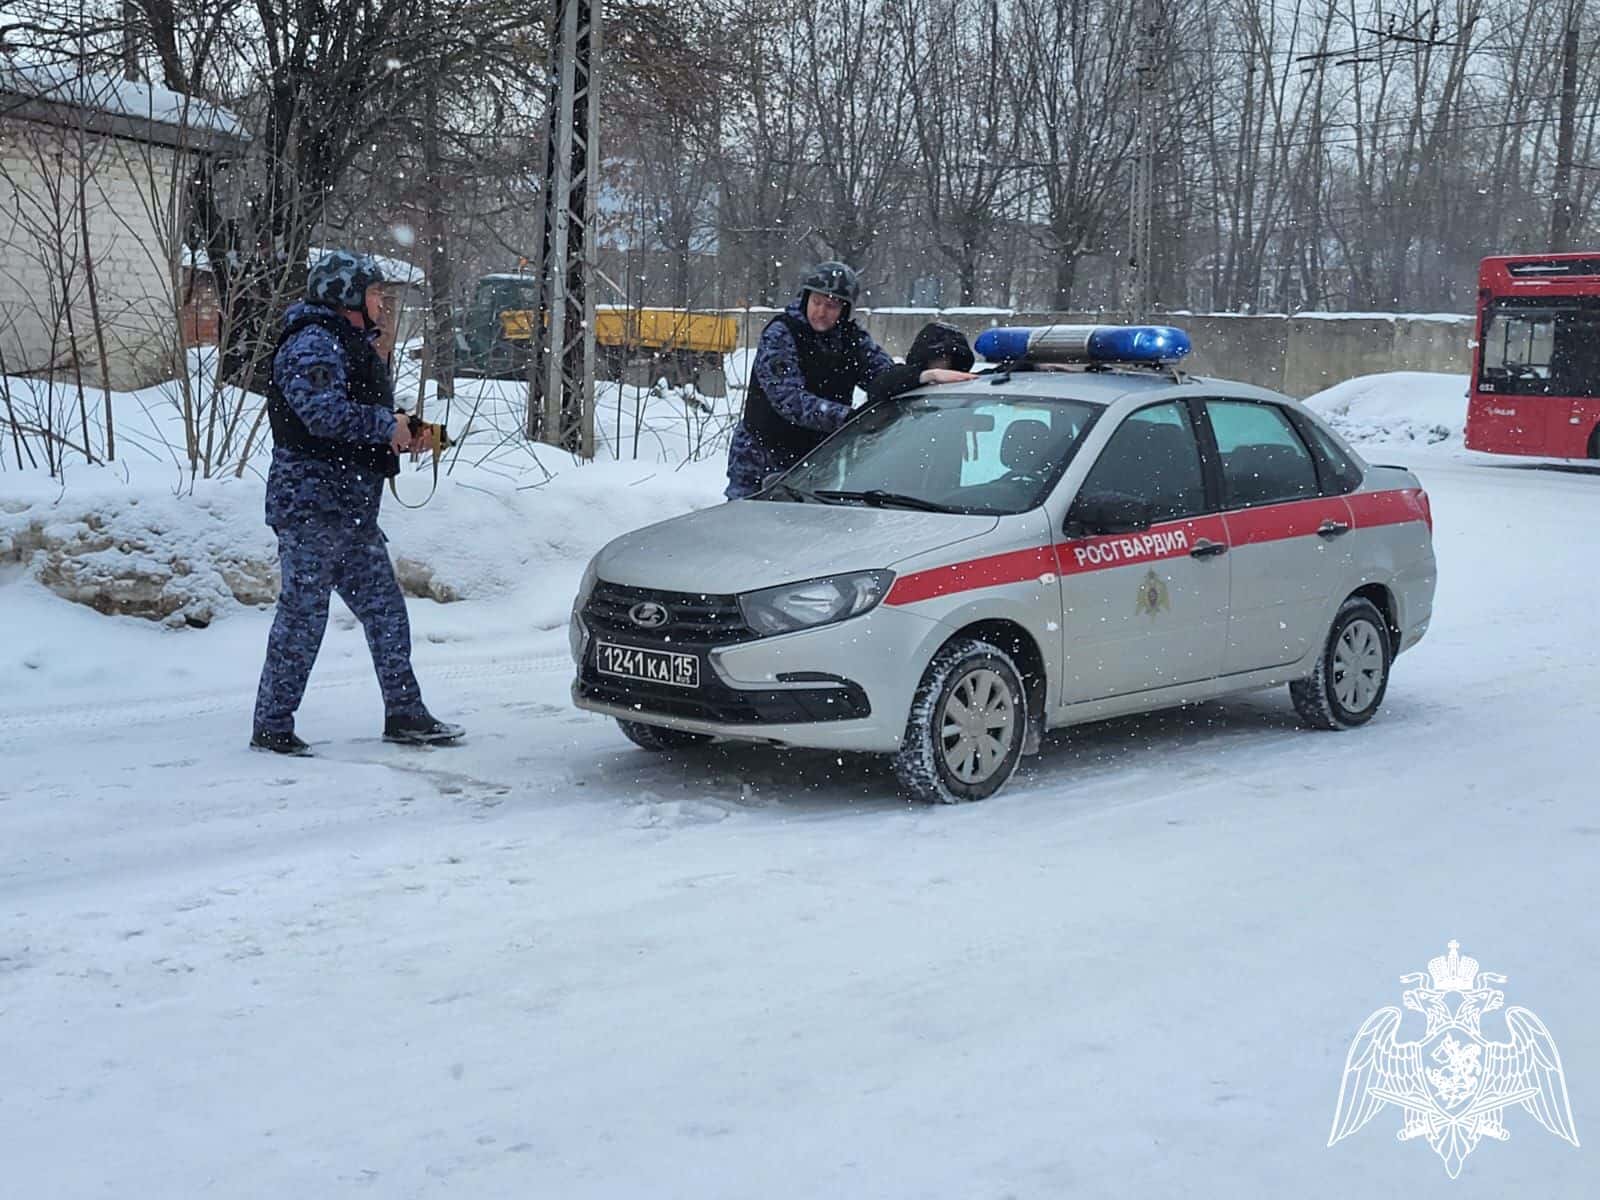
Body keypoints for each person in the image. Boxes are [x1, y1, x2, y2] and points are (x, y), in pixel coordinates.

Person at [250, 250, 463, 756]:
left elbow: (352, 414)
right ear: (343, 295)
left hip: (351, 511)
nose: (381, 305)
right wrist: (386, 427)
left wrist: (404, 432)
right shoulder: (312, 343)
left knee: (386, 612)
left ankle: (405, 714)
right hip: (310, 508)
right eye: (373, 295)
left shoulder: (347, 344)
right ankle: (272, 725)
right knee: (303, 616)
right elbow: (321, 416)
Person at [724, 261, 896, 499]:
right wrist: (847, 418)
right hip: (761, 455)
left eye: (831, 306)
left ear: (844, 310)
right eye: (816, 302)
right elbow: (788, 398)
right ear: (806, 298)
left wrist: (922, 373)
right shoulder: (782, 334)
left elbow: (885, 377)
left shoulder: (850, 340)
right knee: (747, 528)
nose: (821, 312)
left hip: (816, 459)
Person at [861, 320, 979, 411]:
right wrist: (928, 376)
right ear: (924, 357)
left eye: (947, 357)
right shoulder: (902, 382)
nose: (943, 362)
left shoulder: (966, 386)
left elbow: (990, 377)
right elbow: (879, 385)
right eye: (937, 357)